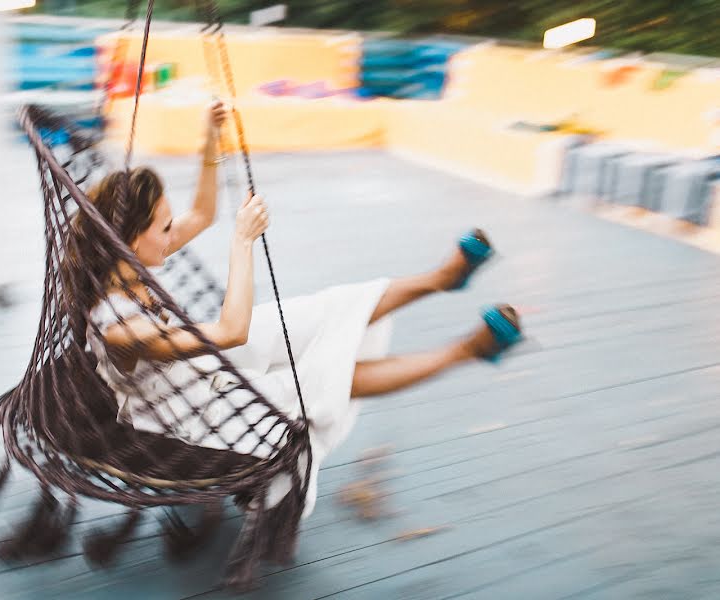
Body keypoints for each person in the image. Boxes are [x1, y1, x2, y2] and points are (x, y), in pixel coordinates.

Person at [66, 100, 524, 516]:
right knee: (332, 378)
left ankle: (443, 279)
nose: (174, 235)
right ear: (129, 238)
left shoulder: (131, 260)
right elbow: (230, 332)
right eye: (165, 227)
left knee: (328, 308)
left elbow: (203, 214)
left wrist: (211, 138)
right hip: (195, 412)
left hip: (201, 365)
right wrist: (242, 242)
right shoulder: (118, 327)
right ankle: (468, 350)